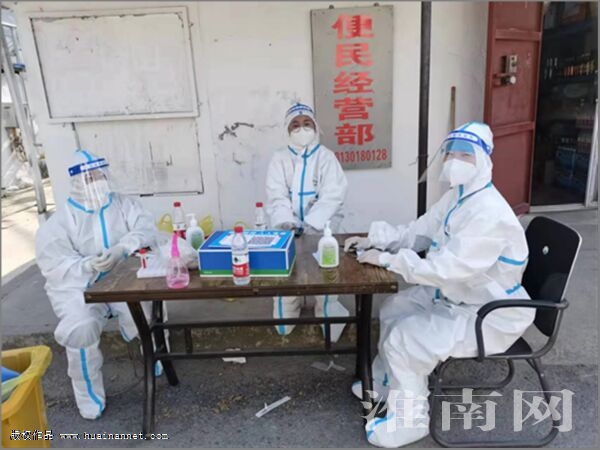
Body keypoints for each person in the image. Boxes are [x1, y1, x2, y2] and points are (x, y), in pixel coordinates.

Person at [344, 122, 534, 447]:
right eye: (450, 153)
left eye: (465, 155)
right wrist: (375, 240)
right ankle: (386, 383)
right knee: (394, 308)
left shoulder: (488, 212)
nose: (454, 161)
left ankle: (411, 421)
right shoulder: (457, 197)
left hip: (487, 313)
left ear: (483, 160)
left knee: (406, 339)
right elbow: (418, 231)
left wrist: (388, 261)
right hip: (458, 297)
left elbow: (446, 270)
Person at [35, 149, 163, 420]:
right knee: (80, 329)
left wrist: (122, 248)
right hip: (79, 290)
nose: (97, 182)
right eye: (89, 178)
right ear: (76, 183)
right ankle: (88, 396)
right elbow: (53, 264)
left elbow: (146, 229)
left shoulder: (124, 205)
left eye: (100, 175)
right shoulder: (61, 222)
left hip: (124, 281)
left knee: (145, 310)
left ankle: (154, 356)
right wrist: (87, 266)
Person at [266, 102, 349, 342]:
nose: (301, 129)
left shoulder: (326, 157)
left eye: (306, 124)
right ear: (287, 129)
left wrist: (312, 223)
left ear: (315, 127)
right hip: (287, 230)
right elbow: (276, 195)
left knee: (324, 272)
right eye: (295, 125)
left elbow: (333, 195)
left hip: (323, 228)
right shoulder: (279, 158)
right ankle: (291, 304)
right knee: (287, 275)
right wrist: (287, 222)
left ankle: (325, 307)